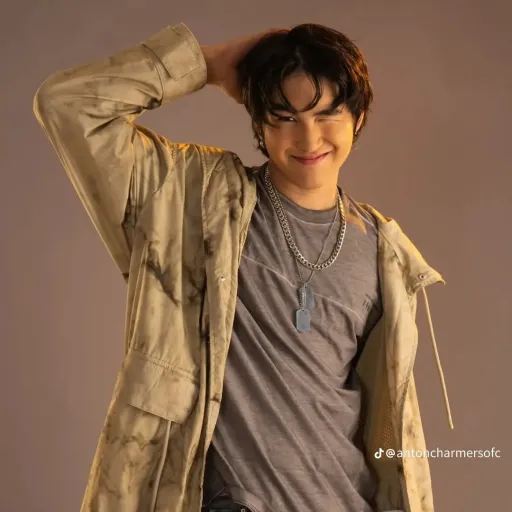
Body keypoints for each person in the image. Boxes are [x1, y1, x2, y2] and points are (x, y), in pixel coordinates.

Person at [33, 21, 453, 512]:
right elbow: (66, 105)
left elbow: (387, 426)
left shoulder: (383, 250)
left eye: (327, 114)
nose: (309, 137)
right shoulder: (191, 199)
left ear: (357, 118)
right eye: (285, 117)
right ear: (260, 125)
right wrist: (207, 65)